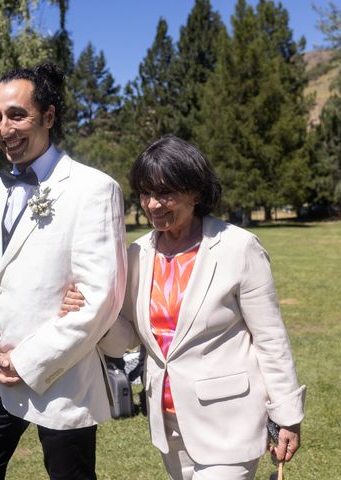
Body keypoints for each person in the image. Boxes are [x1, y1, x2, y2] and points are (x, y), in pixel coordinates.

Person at [62, 135, 306, 480]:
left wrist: (287, 415)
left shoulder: (239, 248)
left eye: (165, 193)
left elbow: (270, 339)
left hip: (230, 424)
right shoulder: (137, 254)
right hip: (168, 426)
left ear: (196, 192)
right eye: (145, 193)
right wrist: (93, 311)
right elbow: (125, 340)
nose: (152, 204)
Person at [0, 63, 127, 480]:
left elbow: (99, 299)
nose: (3, 128)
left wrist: (26, 361)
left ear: (48, 116)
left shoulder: (93, 189)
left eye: (16, 115)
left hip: (60, 376)